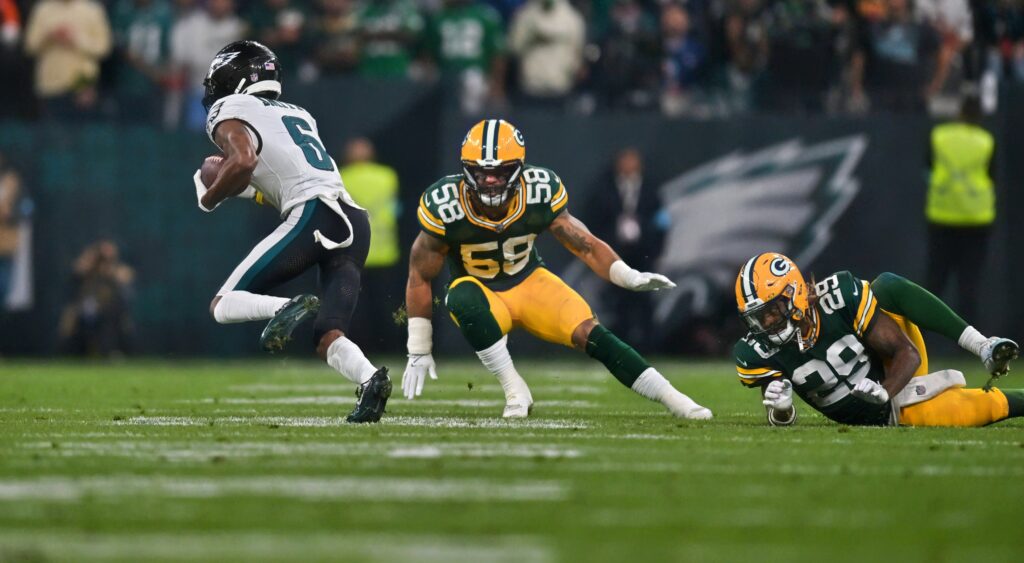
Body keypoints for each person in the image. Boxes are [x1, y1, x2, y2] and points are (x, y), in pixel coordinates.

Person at [402, 119, 712, 420]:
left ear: (519, 169)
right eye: (481, 172)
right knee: (460, 296)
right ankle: (515, 389)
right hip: (483, 295)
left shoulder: (538, 190)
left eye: (500, 172)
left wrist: (627, 275)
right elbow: (420, 276)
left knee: (590, 333)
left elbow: (585, 244)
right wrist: (418, 346)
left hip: (529, 283)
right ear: (466, 170)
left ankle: (674, 398)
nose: (490, 181)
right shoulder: (445, 204)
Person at [195, 40, 390, 423]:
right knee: (327, 334)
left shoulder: (228, 108)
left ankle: (285, 306)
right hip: (352, 218)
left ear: (232, 75)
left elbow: (244, 161)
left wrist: (209, 197)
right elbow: (268, 177)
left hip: (316, 213)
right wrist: (241, 189)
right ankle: (371, 380)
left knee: (223, 304)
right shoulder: (297, 112)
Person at [733, 252, 1021, 427]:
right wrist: (781, 411)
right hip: (888, 415)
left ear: (793, 293)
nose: (766, 323)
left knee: (885, 286)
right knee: (965, 410)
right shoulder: (755, 351)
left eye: (771, 310)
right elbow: (780, 415)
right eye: (757, 317)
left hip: (893, 373)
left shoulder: (838, 297)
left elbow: (906, 353)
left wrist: (885, 390)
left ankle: (983, 345)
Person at [924, 94, 994, 323]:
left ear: (959, 113)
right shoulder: (987, 141)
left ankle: (918, 339)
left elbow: (928, 167)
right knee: (969, 284)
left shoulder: (940, 136)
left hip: (942, 216)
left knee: (934, 283)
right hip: (976, 219)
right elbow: (993, 175)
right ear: (980, 116)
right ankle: (970, 344)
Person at [338, 138, 403, 352]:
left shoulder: (341, 178)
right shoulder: (388, 176)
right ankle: (392, 347)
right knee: (386, 305)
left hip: (353, 252)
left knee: (355, 307)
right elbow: (396, 209)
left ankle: (358, 349)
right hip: (385, 251)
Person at [23, 0, 112, 120]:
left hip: (82, 84)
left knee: (82, 132)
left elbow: (103, 48)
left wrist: (75, 39)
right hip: (50, 85)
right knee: (52, 134)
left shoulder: (92, 10)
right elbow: (30, 47)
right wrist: (49, 37)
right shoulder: (43, 9)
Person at [58, 240, 135, 357]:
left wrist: (110, 269)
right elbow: (78, 270)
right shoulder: (87, 270)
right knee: (71, 323)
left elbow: (126, 276)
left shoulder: (115, 271)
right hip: (85, 312)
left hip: (107, 313)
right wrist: (90, 259)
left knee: (111, 321)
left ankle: (109, 351)